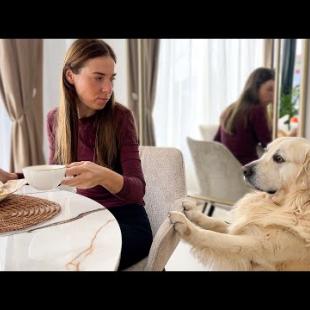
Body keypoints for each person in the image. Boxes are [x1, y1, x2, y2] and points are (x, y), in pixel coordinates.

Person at [0, 39, 153, 270]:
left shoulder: (121, 118)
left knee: (76, 261)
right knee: (34, 253)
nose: (108, 89)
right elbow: (56, 175)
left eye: (111, 79)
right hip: (83, 214)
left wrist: (102, 175)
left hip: (126, 221)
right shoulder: (55, 119)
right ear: (71, 76)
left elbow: (137, 190)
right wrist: (12, 177)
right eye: (98, 77)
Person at [214, 67, 274, 165]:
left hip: (228, 170)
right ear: (256, 88)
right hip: (248, 171)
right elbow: (269, 145)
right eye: (270, 89)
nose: (273, 94)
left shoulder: (231, 109)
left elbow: (216, 141)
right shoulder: (257, 110)